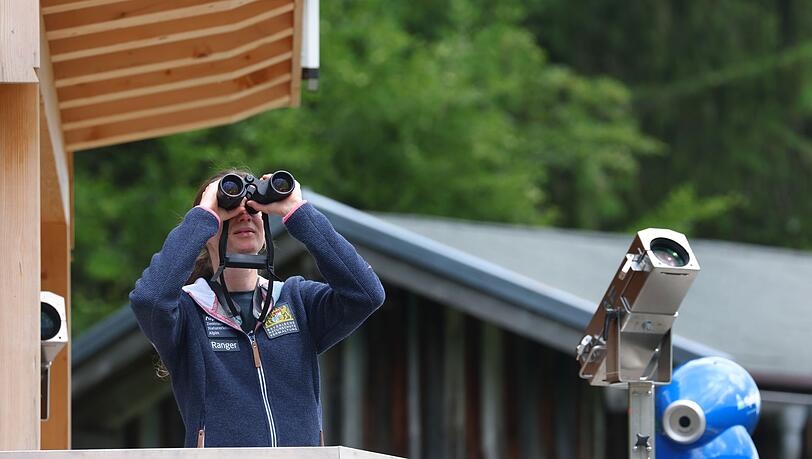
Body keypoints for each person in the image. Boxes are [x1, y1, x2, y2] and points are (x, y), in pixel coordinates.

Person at [129, 169, 385, 448]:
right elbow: (149, 300)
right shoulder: (188, 313)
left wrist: (298, 213)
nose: (244, 215)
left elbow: (366, 294)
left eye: (253, 208)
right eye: (229, 208)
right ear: (207, 231)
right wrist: (204, 216)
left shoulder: (296, 300)